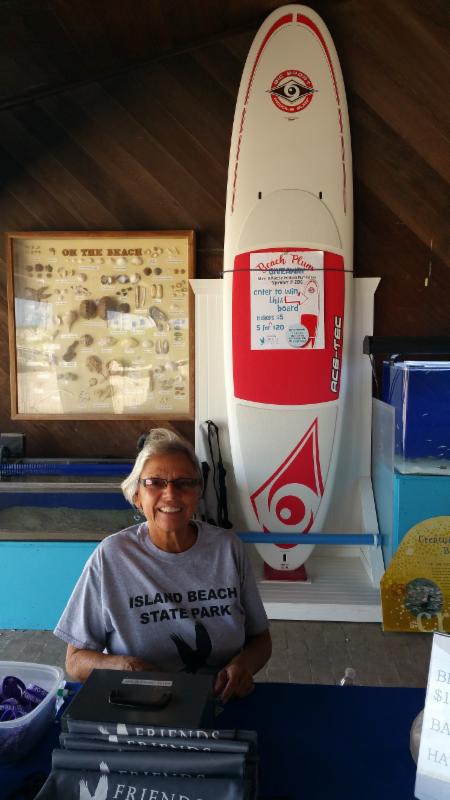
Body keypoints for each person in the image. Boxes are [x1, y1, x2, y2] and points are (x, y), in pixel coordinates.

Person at [54, 428, 271, 702]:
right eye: (155, 482)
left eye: (184, 483)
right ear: (137, 496)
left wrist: (243, 667)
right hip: (139, 704)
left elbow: (261, 640)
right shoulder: (111, 556)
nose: (170, 494)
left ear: (197, 493)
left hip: (221, 702)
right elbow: (75, 661)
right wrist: (124, 667)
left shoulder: (228, 548)